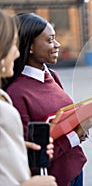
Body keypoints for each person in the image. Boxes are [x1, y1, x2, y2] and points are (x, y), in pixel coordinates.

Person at [3, 12, 92, 186]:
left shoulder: (51, 75)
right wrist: (76, 135)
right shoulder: (16, 94)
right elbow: (31, 156)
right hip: (52, 179)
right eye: (50, 40)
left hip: (74, 169)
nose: (57, 44)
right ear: (30, 46)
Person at [0, 10, 57, 186]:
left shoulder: (51, 76)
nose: (17, 54)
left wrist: (17, 148)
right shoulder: (13, 96)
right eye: (12, 46)